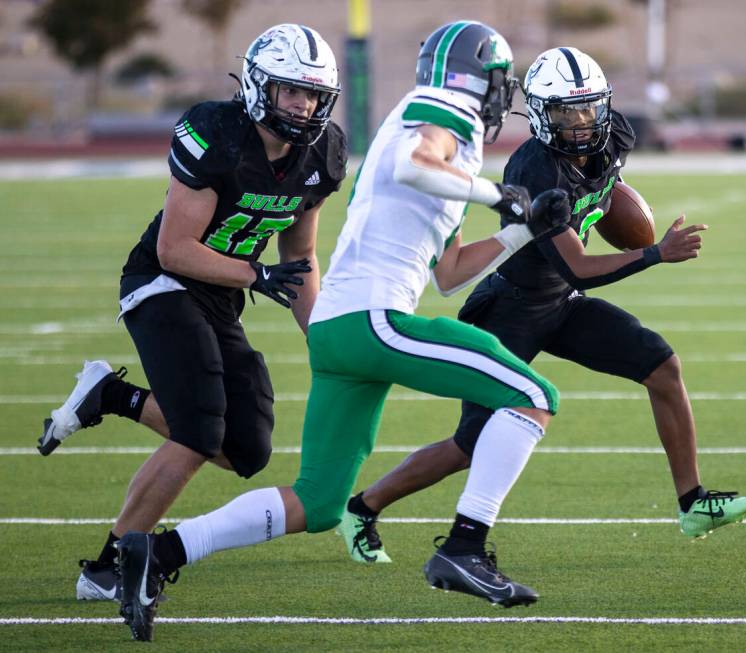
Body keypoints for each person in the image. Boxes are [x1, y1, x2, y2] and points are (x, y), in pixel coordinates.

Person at [113, 20, 572, 642]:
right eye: (498, 82)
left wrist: (523, 229)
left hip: (340, 327)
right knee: (533, 396)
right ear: (478, 79)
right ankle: (465, 546)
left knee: (320, 503)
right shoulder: (446, 108)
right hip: (372, 321)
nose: (500, 96)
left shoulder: (449, 144)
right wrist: (503, 197)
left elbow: (449, 273)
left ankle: (157, 554)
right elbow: (416, 165)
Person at [336, 46, 746, 564]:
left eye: (588, 109)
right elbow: (577, 267)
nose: (581, 124)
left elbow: (606, 189)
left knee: (662, 366)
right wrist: (653, 253)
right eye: (565, 113)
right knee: (472, 442)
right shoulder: (535, 167)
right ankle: (364, 505)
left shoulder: (617, 135)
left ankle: (693, 503)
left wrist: (615, 208)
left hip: (562, 305)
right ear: (540, 114)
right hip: (512, 308)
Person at [35, 23, 347, 602]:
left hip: (221, 296)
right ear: (258, 88)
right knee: (199, 427)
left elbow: (298, 256)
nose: (303, 106)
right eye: (290, 91)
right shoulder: (217, 133)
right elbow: (174, 249)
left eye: (312, 94)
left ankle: (112, 396)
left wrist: (324, 338)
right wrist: (255, 275)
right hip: (161, 283)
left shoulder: (322, 155)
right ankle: (108, 567)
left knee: (246, 449)